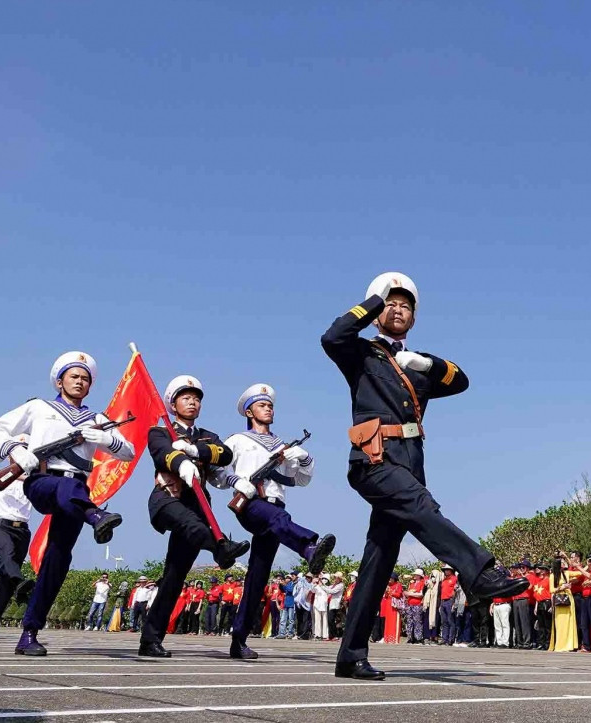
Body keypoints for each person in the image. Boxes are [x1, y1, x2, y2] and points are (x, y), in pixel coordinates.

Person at [321, 272, 528, 680]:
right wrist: (372, 304)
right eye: (391, 303)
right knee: (422, 507)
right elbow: (331, 337)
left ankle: (350, 655)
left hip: (410, 461)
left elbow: (461, 381)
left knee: (378, 561)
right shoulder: (360, 354)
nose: (398, 310)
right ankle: (481, 573)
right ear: (379, 309)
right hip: (374, 460)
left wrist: (426, 363)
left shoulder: (416, 367)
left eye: (406, 305)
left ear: (415, 317)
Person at [0, 351, 135, 656]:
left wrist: (105, 440)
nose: (80, 382)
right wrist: (15, 449)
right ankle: (95, 515)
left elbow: (128, 452)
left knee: (58, 560)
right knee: (67, 487)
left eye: (85, 378)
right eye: (74, 376)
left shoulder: (97, 419)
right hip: (43, 481)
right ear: (60, 379)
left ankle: (29, 632)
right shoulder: (39, 407)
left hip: (76, 493)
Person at [223, 382, 336, 659]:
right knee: (280, 518)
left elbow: (301, 480)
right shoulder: (237, 440)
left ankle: (238, 639)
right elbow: (218, 470)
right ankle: (309, 548)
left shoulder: (281, 446)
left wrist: (305, 458)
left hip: (274, 508)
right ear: (249, 412)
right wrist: (236, 480)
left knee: (257, 577)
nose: (268, 408)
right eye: (262, 405)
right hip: (251, 504)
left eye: (270, 405)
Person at [141, 375, 248, 658]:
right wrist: (181, 462)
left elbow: (224, 454)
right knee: (192, 526)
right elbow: (161, 454)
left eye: (196, 398)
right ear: (173, 404)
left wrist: (195, 450)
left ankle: (150, 639)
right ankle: (221, 546)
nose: (192, 402)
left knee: (173, 577)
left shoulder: (206, 436)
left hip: (198, 503)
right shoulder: (160, 430)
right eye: (186, 397)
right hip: (168, 499)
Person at [0, 455, 36, 643]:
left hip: (22, 531)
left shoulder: (35, 478)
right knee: (7, 551)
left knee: (5, 583)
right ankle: (19, 581)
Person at [549, 556, 578, 652]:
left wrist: (586, 566)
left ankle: (569, 645)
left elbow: (579, 574)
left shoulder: (566, 573)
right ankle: (560, 645)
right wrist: (562, 587)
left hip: (568, 599)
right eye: (562, 562)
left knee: (569, 622)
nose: (564, 563)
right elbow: (551, 590)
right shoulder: (553, 576)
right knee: (560, 623)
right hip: (559, 599)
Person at [532, 563, 552, 650]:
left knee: (547, 625)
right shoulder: (539, 581)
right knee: (541, 625)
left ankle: (547, 643)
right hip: (539, 603)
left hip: (547, 602)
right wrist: (536, 606)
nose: (541, 571)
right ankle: (541, 643)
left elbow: (552, 593)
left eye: (543, 569)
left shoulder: (549, 580)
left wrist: (552, 605)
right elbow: (537, 595)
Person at [404, 569, 427, 643]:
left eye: (416, 575)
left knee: (417, 621)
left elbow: (421, 594)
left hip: (417, 604)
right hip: (410, 603)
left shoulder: (422, 583)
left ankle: (418, 638)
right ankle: (410, 637)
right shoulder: (412, 583)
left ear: (419, 576)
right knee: (409, 621)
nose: (415, 576)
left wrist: (410, 594)